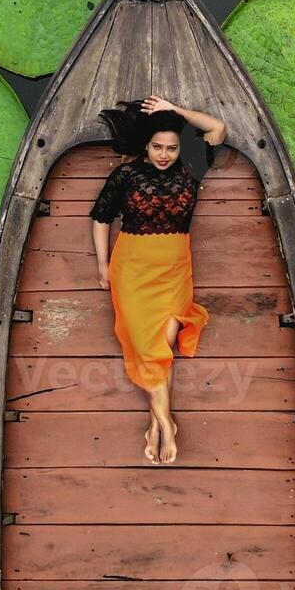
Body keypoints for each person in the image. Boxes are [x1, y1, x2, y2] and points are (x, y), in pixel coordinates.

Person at [89, 95, 227, 464]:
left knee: (159, 350)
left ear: (180, 147)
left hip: (174, 271)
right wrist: (102, 265)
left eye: (171, 147)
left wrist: (177, 112)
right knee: (152, 352)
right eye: (157, 147)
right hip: (132, 271)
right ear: (146, 147)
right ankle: (166, 424)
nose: (164, 155)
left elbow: (217, 128)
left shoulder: (192, 166)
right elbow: (101, 217)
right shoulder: (127, 174)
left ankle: (156, 425)